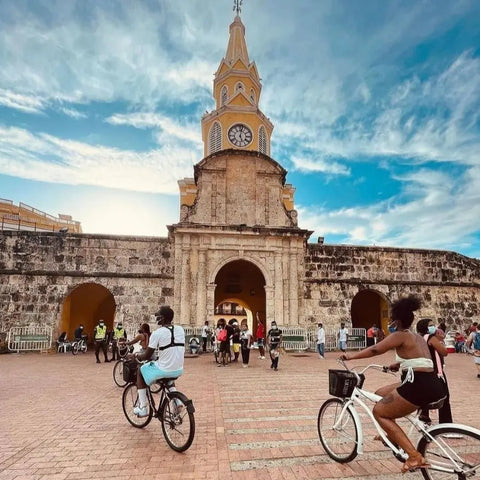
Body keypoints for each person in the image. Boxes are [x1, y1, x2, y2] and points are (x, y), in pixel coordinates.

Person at [341, 295, 447, 473]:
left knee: (379, 412)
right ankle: (390, 433)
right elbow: (419, 357)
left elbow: (376, 349)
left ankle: (414, 456)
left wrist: (351, 356)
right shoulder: (417, 337)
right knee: (380, 392)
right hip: (434, 383)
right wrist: (397, 364)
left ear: (396, 321)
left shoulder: (399, 335)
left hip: (418, 385)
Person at [130, 306, 185, 417]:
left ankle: (143, 408)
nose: (157, 318)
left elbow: (147, 355)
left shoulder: (157, 333)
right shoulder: (180, 329)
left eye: (158, 316)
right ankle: (177, 401)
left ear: (163, 318)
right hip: (178, 369)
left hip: (164, 368)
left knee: (141, 370)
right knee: (168, 378)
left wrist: (135, 355)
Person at [416, 318, 453, 426]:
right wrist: (440, 340)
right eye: (431, 325)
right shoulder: (431, 338)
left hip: (424, 370)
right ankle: (446, 423)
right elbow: (444, 352)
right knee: (445, 396)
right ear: (425, 327)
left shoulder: (419, 338)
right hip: (436, 371)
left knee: (425, 394)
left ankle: (424, 417)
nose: (434, 327)